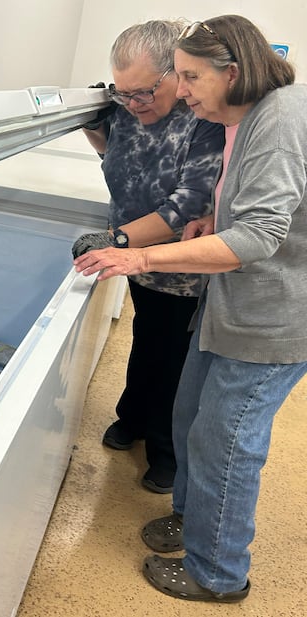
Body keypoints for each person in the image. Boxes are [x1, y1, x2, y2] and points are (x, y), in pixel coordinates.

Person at [74, 14, 307, 603]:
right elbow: (248, 209)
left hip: (273, 320)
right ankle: (190, 519)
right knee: (189, 417)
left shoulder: (279, 120)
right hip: (231, 303)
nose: (183, 91)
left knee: (227, 441)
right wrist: (212, 220)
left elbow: (259, 236)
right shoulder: (244, 117)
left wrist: (144, 259)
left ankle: (217, 573)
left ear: (232, 71)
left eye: (190, 77)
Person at [75, 20, 224, 493]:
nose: (134, 104)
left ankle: (166, 451)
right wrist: (96, 124)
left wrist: (116, 240)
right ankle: (132, 417)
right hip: (134, 258)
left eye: (143, 92)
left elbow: (187, 205)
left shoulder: (202, 120)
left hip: (180, 267)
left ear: (176, 77)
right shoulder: (128, 110)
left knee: (174, 358)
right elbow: (115, 158)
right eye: (124, 94)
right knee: (146, 337)